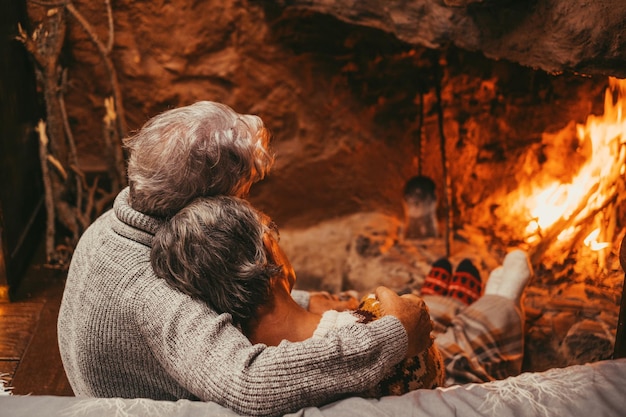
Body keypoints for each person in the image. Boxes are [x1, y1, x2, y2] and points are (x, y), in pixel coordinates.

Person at [57, 101, 433, 417]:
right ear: (203, 207)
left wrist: (302, 301)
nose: (245, 205)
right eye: (241, 194)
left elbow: (211, 296)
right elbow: (249, 384)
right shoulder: (153, 291)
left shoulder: (113, 222)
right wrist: (394, 335)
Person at [150, 196, 446, 397]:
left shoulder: (226, 368)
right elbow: (436, 367)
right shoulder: (379, 330)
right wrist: (385, 304)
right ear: (267, 249)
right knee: (470, 311)